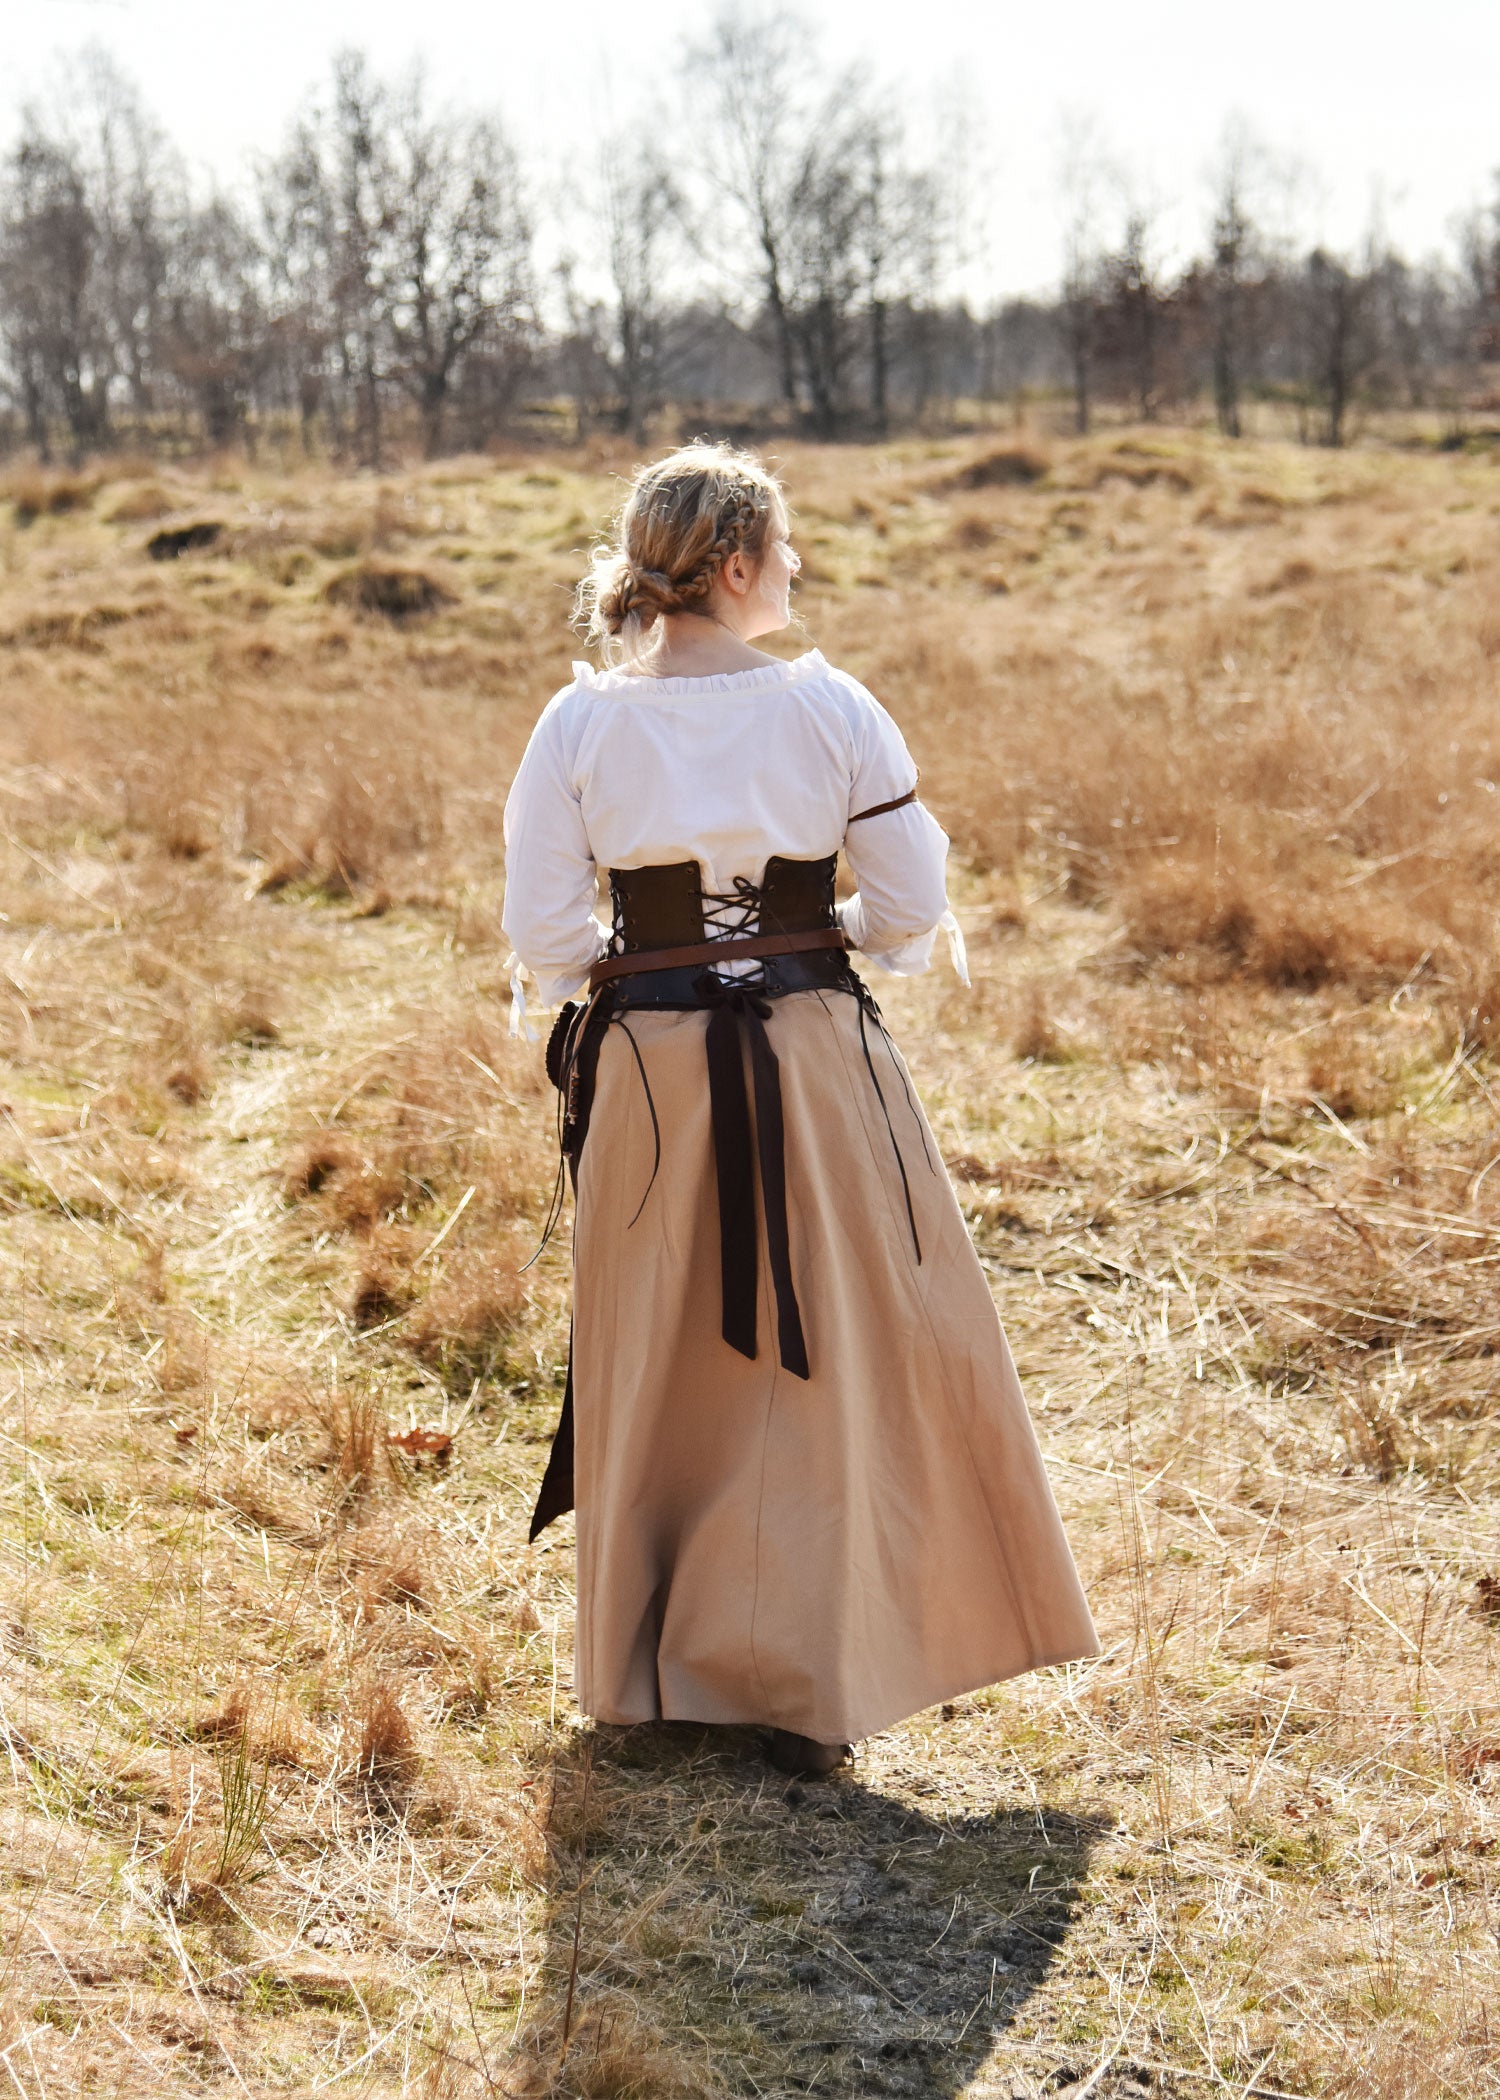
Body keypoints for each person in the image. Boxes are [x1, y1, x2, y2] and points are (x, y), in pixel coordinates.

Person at [502, 442, 1097, 1779]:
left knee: (658, 1354)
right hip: (814, 1056)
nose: (798, 566)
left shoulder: (579, 727)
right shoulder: (832, 709)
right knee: (824, 1358)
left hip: (651, 1070)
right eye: (782, 547)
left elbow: (546, 934)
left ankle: (657, 1674)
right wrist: (810, 937)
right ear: (733, 566)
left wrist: (655, 964)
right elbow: (910, 904)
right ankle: (812, 1683)